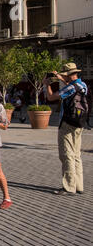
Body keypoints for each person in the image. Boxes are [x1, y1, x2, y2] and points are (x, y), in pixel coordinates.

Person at [45, 63, 88, 195]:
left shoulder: (69, 88)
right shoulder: (83, 85)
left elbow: (51, 97)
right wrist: (60, 77)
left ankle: (69, 186)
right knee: (76, 155)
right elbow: (72, 85)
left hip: (67, 123)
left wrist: (47, 85)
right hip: (79, 122)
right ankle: (79, 185)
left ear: (67, 75)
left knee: (66, 154)